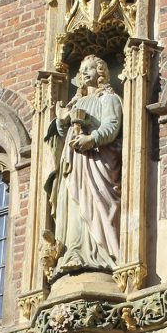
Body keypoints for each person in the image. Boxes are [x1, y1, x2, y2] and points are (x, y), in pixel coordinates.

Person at [46, 55, 123, 276]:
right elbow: (62, 136)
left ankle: (103, 254)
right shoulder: (75, 103)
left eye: (89, 68)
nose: (85, 72)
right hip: (73, 162)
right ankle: (74, 251)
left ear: (101, 72)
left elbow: (112, 126)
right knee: (72, 203)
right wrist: (62, 122)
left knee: (96, 201)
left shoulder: (108, 99)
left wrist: (92, 139)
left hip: (96, 160)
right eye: (82, 70)